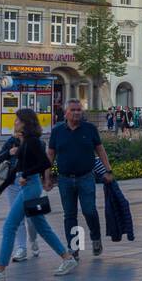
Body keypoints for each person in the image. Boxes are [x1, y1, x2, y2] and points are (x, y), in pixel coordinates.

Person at [0, 108, 75, 281]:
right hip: (28, 185)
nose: (14, 122)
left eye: (17, 120)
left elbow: (45, 163)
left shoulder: (33, 142)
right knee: (41, 226)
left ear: (25, 122)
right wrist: (1, 188)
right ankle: (68, 258)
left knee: (9, 226)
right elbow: (16, 169)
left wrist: (25, 174)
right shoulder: (24, 142)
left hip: (31, 187)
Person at [47, 98, 113, 259]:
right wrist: (46, 176)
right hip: (65, 179)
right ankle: (74, 249)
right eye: (73, 110)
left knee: (89, 210)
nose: (77, 112)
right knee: (70, 215)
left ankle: (95, 238)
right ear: (66, 113)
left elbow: (100, 150)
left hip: (86, 177)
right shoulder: (57, 131)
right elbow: (50, 154)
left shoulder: (89, 129)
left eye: (79, 110)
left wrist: (108, 170)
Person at [0, 126, 39, 261]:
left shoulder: (35, 142)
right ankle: (21, 248)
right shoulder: (11, 142)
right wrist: (10, 152)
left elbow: (45, 163)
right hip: (13, 184)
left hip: (30, 183)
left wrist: (47, 178)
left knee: (32, 219)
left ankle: (33, 239)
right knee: (17, 218)